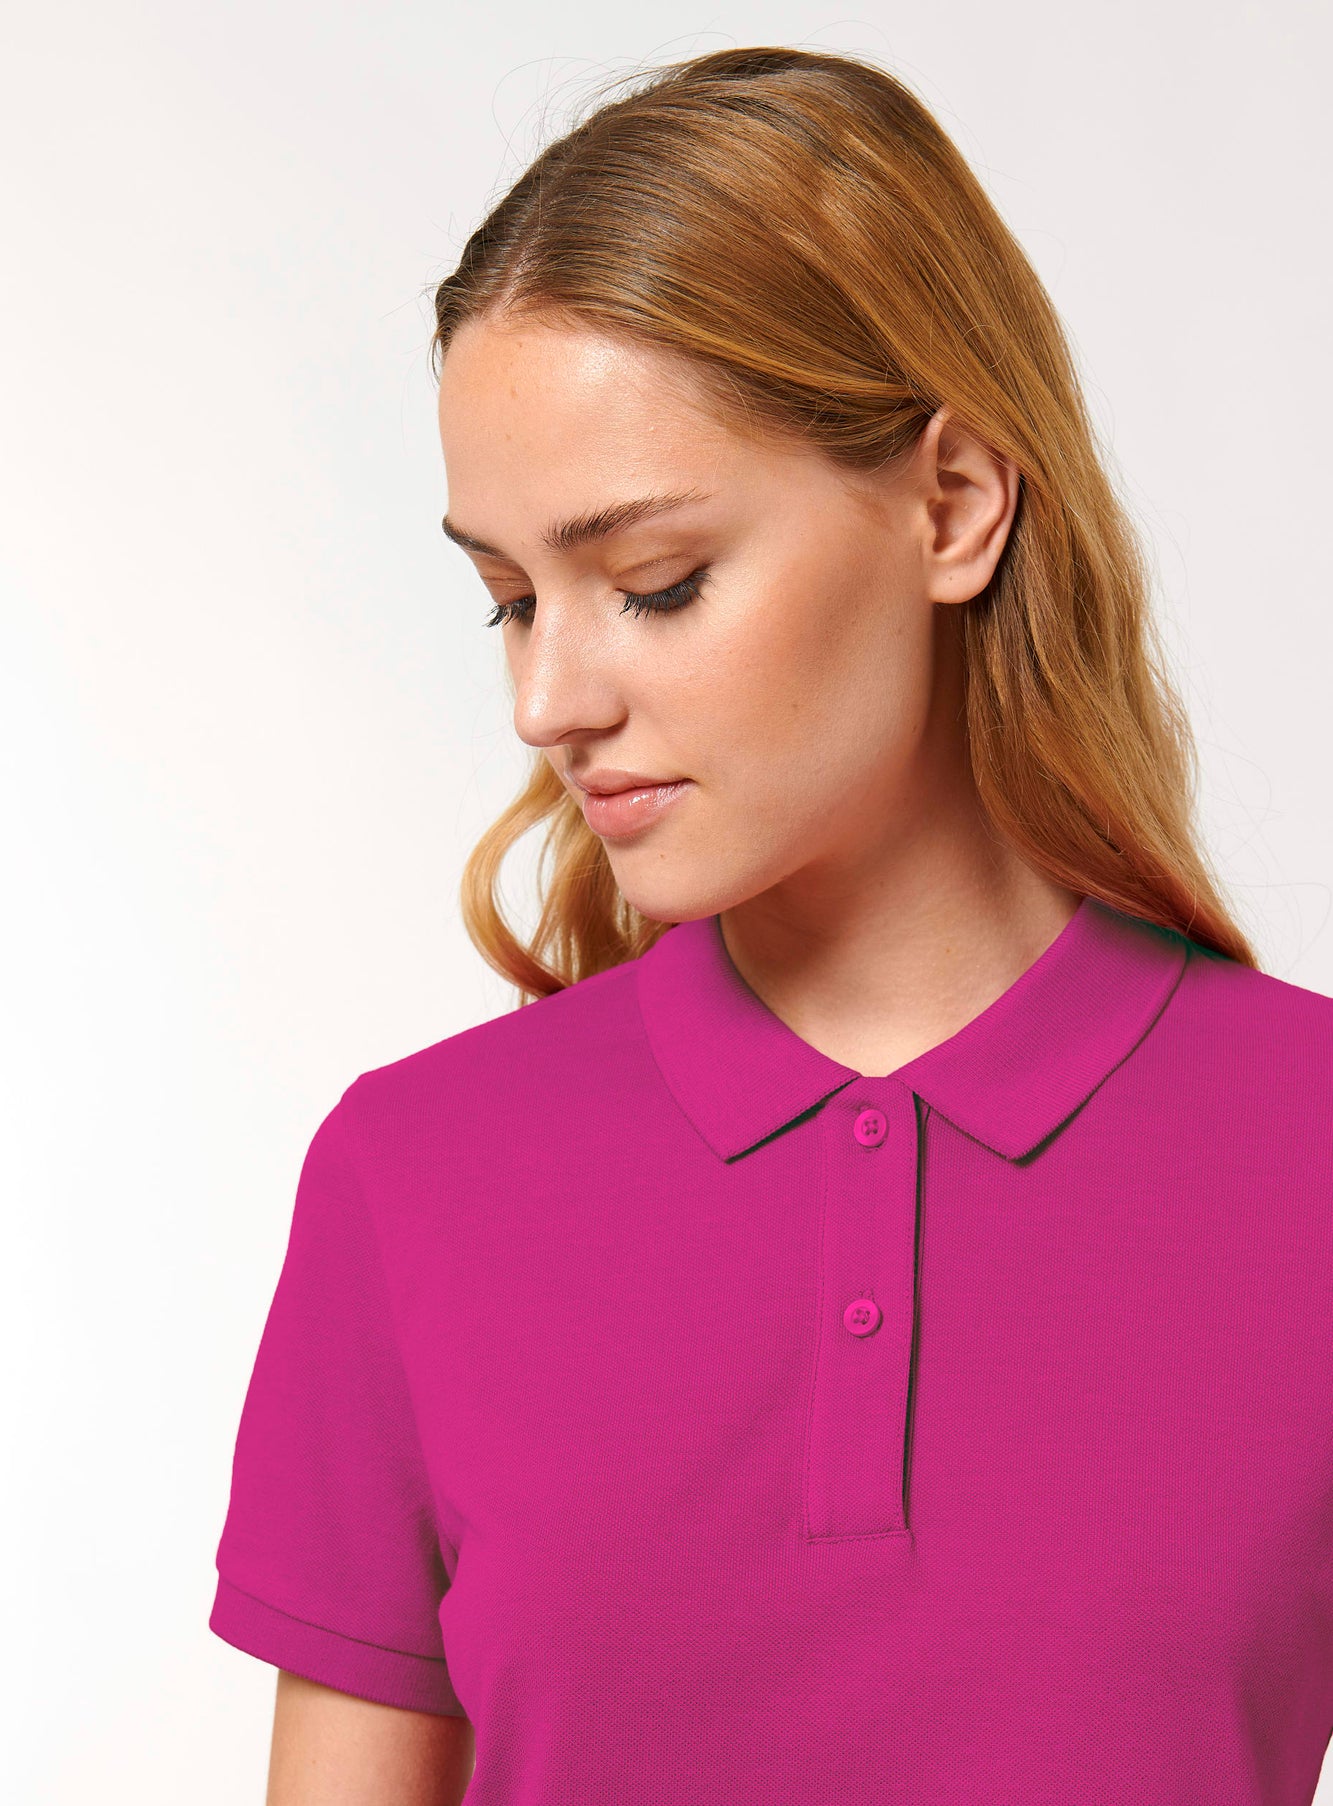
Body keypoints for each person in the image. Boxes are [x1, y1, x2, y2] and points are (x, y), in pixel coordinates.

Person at [208, 44, 1333, 1806]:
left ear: (951, 505)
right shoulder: (410, 1177)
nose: (548, 700)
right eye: (509, 600)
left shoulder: (1307, 1147)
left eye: (653, 583)